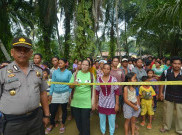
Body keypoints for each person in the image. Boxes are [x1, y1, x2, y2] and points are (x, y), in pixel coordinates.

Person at [0, 37, 50, 135]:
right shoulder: (3, 72)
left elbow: (43, 94)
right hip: (13, 123)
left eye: (26, 50)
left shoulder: (38, 71)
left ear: (31, 53)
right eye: (18, 50)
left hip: (36, 119)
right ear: (12, 52)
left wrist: (47, 115)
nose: (22, 53)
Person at [46, 58, 72, 134]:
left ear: (65, 64)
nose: (59, 64)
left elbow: (70, 84)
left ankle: (62, 124)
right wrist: (51, 94)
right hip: (55, 93)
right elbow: (53, 83)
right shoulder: (55, 72)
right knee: (53, 110)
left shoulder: (69, 73)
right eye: (59, 63)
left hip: (65, 93)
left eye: (61, 63)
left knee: (64, 110)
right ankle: (51, 124)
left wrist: (69, 93)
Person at [69, 60, 96, 135]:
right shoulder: (75, 74)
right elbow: (70, 86)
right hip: (75, 102)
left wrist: (94, 103)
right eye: (83, 64)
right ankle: (81, 132)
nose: (84, 66)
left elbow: (94, 90)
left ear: (89, 66)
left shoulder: (91, 76)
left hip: (86, 103)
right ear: (80, 65)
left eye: (86, 65)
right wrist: (74, 84)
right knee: (78, 121)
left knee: (85, 122)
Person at [159, 56, 182, 134]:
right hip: (168, 95)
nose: (177, 65)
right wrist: (161, 93)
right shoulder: (166, 72)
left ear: (181, 64)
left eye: (179, 64)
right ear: (172, 64)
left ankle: (180, 130)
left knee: (180, 115)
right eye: (175, 63)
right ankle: (166, 127)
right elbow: (162, 83)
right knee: (167, 113)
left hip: (180, 97)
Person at [96, 63, 119, 135]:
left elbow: (117, 92)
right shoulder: (99, 79)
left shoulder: (113, 79)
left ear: (110, 70)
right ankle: (103, 132)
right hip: (101, 103)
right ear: (102, 69)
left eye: (108, 69)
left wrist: (117, 104)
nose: (106, 70)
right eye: (104, 68)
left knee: (112, 121)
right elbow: (97, 91)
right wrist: (96, 102)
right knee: (102, 120)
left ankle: (111, 133)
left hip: (111, 103)